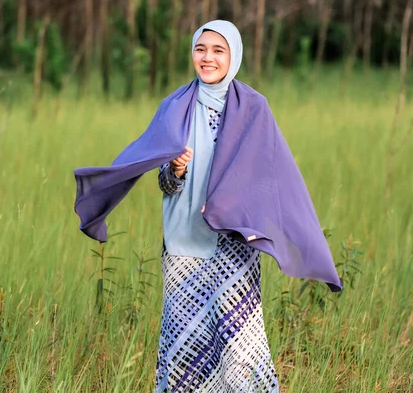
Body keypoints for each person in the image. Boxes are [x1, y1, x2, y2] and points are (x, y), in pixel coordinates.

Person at [73, 20, 341, 392]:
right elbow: (165, 184)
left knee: (241, 345)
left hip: (233, 245)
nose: (208, 58)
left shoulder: (253, 109)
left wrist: (230, 204)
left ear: (234, 56)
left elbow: (270, 180)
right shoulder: (175, 107)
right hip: (184, 247)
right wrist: (176, 171)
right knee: (186, 348)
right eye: (201, 49)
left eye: (218, 50)